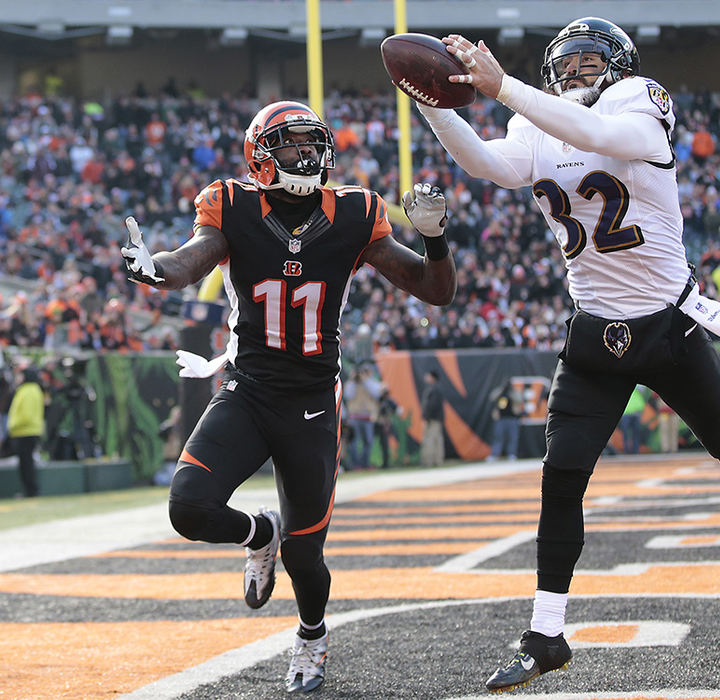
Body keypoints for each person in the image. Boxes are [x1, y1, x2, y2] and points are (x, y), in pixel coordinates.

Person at [413, 18, 720, 692]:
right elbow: (488, 165)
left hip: (667, 325)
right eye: (569, 63)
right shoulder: (536, 120)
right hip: (593, 332)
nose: (579, 71)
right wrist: (429, 100)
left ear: (619, 67)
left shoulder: (639, 101)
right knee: (561, 478)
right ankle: (545, 634)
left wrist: (505, 89)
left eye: (591, 61)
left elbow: (600, 138)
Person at [120, 99, 456, 694]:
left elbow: (434, 291)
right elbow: (190, 260)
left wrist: (434, 240)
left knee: (306, 557)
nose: (307, 154)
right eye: (292, 144)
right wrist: (156, 269)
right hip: (247, 390)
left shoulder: (355, 213)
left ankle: (311, 637)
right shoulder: (232, 204)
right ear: (261, 158)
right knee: (188, 508)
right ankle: (258, 534)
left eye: (312, 143)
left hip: (312, 401)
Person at [7, 365, 45, 498]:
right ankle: (30, 490)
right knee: (26, 463)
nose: (18, 378)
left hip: (24, 432)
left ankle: (30, 491)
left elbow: (26, 416)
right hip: (28, 431)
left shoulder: (28, 390)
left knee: (26, 464)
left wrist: (12, 425)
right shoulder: (33, 390)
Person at [420, 370, 445, 466]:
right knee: (436, 439)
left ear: (433, 378)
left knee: (431, 439)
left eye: (428, 376)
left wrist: (426, 416)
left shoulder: (435, 389)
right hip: (434, 418)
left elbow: (432, 405)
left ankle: (430, 461)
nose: (426, 377)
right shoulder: (433, 388)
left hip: (433, 419)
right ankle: (437, 461)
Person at [620, 384, 647, 454]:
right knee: (625, 433)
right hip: (626, 413)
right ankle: (626, 450)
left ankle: (636, 451)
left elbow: (643, 389)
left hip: (636, 413)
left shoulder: (638, 387)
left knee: (636, 433)